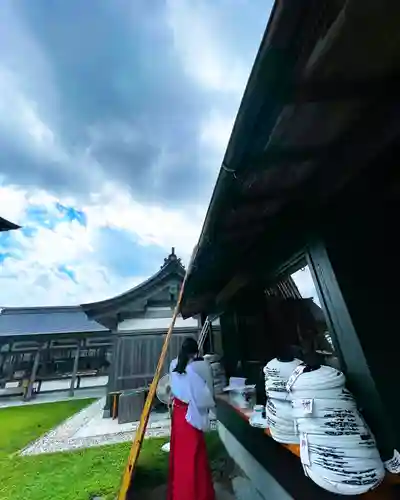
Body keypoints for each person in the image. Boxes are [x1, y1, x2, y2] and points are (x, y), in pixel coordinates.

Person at [167, 337, 216, 500]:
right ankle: (199, 494)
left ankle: (179, 494)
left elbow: (172, 390)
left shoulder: (174, 364)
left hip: (179, 415)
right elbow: (209, 394)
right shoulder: (201, 366)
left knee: (181, 458)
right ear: (196, 352)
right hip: (192, 415)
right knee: (195, 457)